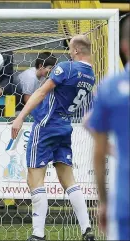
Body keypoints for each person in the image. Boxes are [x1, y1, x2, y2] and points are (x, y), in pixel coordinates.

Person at [11, 35, 96, 241]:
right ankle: (87, 229)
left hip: (46, 126)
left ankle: (38, 234)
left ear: (76, 51)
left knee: (35, 179)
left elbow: (40, 92)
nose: (68, 53)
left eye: (70, 50)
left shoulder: (67, 67)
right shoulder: (91, 76)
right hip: (65, 127)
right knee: (68, 179)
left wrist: (20, 117)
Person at [84, 16, 129, 240]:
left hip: (125, 201)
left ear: (123, 46)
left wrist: (103, 202)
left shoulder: (110, 88)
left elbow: (99, 153)